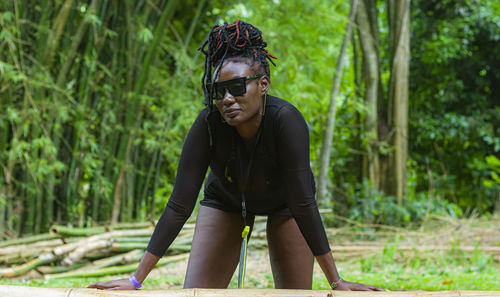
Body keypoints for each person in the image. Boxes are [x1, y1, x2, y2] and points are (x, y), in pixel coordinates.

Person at [88, 19, 383, 291]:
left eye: (237, 87)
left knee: (295, 296)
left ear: (263, 84)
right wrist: (134, 280)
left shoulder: (287, 121)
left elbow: (303, 203)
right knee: (197, 295)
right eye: (219, 91)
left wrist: (336, 281)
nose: (227, 99)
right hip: (226, 201)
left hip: (286, 206)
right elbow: (179, 205)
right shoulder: (208, 124)